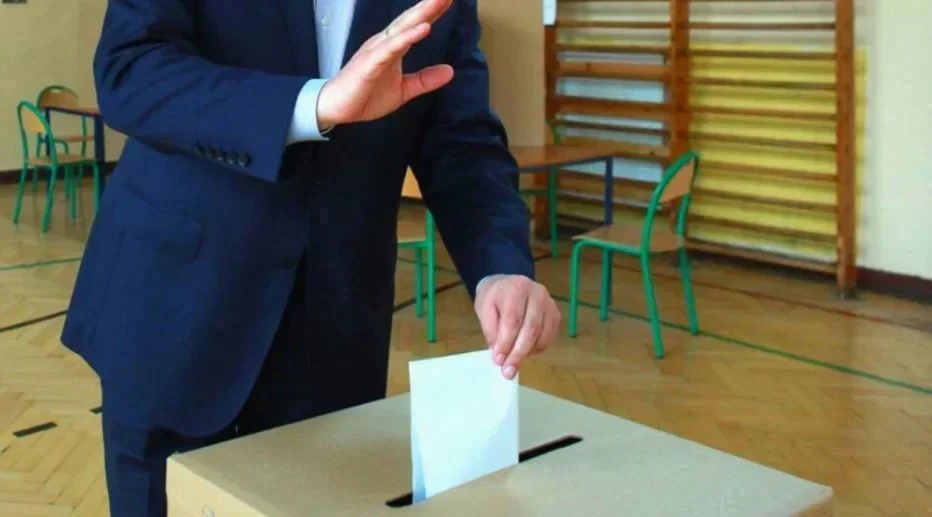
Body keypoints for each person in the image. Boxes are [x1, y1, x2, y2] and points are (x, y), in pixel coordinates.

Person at [60, 0, 561, 515]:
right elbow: (130, 69)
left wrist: (499, 267)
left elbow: (462, 144)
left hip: (335, 329)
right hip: (174, 308)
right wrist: (312, 105)